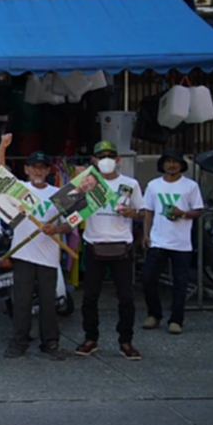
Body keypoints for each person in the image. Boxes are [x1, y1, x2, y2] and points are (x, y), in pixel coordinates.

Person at [76, 141, 144, 360]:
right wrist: (77, 185)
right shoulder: (88, 183)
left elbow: (142, 213)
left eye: (110, 155)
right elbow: (69, 207)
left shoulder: (130, 183)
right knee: (89, 297)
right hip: (94, 244)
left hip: (121, 246)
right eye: (100, 156)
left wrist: (131, 214)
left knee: (126, 297)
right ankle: (90, 338)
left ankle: (125, 340)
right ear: (94, 160)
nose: (105, 160)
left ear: (118, 159)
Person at [3, 150, 72, 360]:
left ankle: (50, 343)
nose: (37, 171)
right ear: (26, 169)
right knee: (22, 302)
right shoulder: (19, 190)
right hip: (23, 254)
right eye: (34, 167)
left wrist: (56, 229)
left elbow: (72, 223)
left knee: (48, 303)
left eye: (42, 167)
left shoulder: (59, 193)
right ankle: (19, 342)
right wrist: (2, 149)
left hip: (48, 257)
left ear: (48, 170)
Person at [141, 149, 204, 335]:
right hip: (158, 240)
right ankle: (154, 314)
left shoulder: (190, 186)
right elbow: (148, 212)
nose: (171, 165)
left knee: (180, 283)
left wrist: (182, 213)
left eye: (175, 161)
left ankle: (176, 320)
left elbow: (198, 211)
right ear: (162, 165)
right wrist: (146, 234)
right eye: (167, 161)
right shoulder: (153, 185)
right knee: (148, 278)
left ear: (181, 165)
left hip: (181, 242)